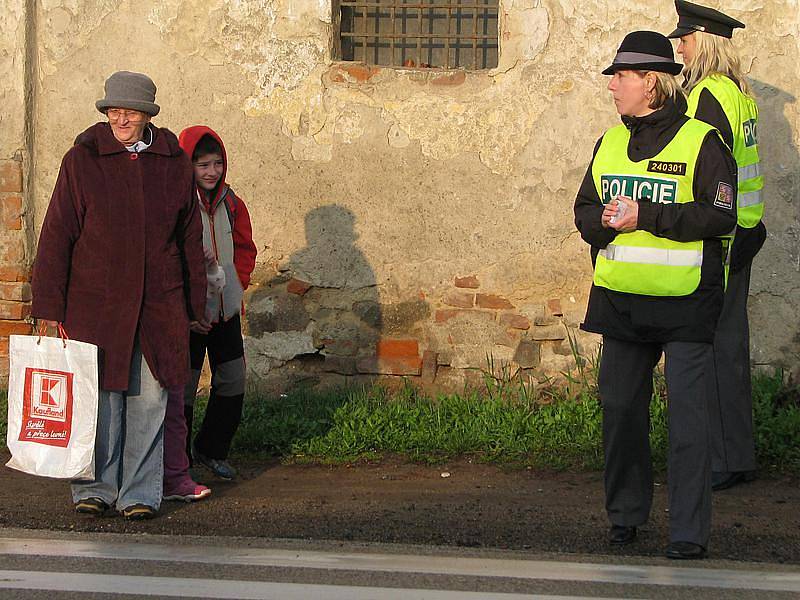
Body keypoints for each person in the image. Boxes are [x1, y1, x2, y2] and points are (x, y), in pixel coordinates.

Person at [574, 31, 738, 559]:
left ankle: (688, 532)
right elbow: (583, 210)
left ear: (651, 82)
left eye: (620, 76)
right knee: (620, 410)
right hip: (621, 302)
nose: (612, 86)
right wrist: (600, 222)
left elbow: (721, 215)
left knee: (688, 422)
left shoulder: (702, 141)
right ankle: (625, 516)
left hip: (687, 302)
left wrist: (648, 216)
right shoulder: (609, 142)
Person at [31, 71, 206, 520]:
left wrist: (194, 305)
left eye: (130, 110)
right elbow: (57, 233)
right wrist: (49, 305)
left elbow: (189, 239)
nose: (120, 117)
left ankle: (140, 494)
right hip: (96, 304)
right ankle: (95, 487)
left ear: (148, 114)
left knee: (150, 401)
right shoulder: (83, 161)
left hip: (158, 305)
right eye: (113, 109)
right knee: (101, 399)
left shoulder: (173, 164)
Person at [668, 0, 765, 492]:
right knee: (732, 345)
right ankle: (738, 453)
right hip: (746, 229)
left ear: (701, 41)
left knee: (713, 346)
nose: (679, 49)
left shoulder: (706, 95)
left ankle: (722, 460)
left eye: (683, 41)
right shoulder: (738, 94)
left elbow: (706, 171)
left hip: (721, 236)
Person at [177, 125, 257, 480]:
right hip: (190, 316)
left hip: (225, 313)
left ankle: (212, 448)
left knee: (232, 381)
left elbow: (245, 249)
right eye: (203, 166)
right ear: (188, 166)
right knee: (184, 388)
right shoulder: (178, 204)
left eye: (217, 164)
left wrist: (236, 287)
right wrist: (189, 308)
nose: (212, 172)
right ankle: (177, 462)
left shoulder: (233, 203)